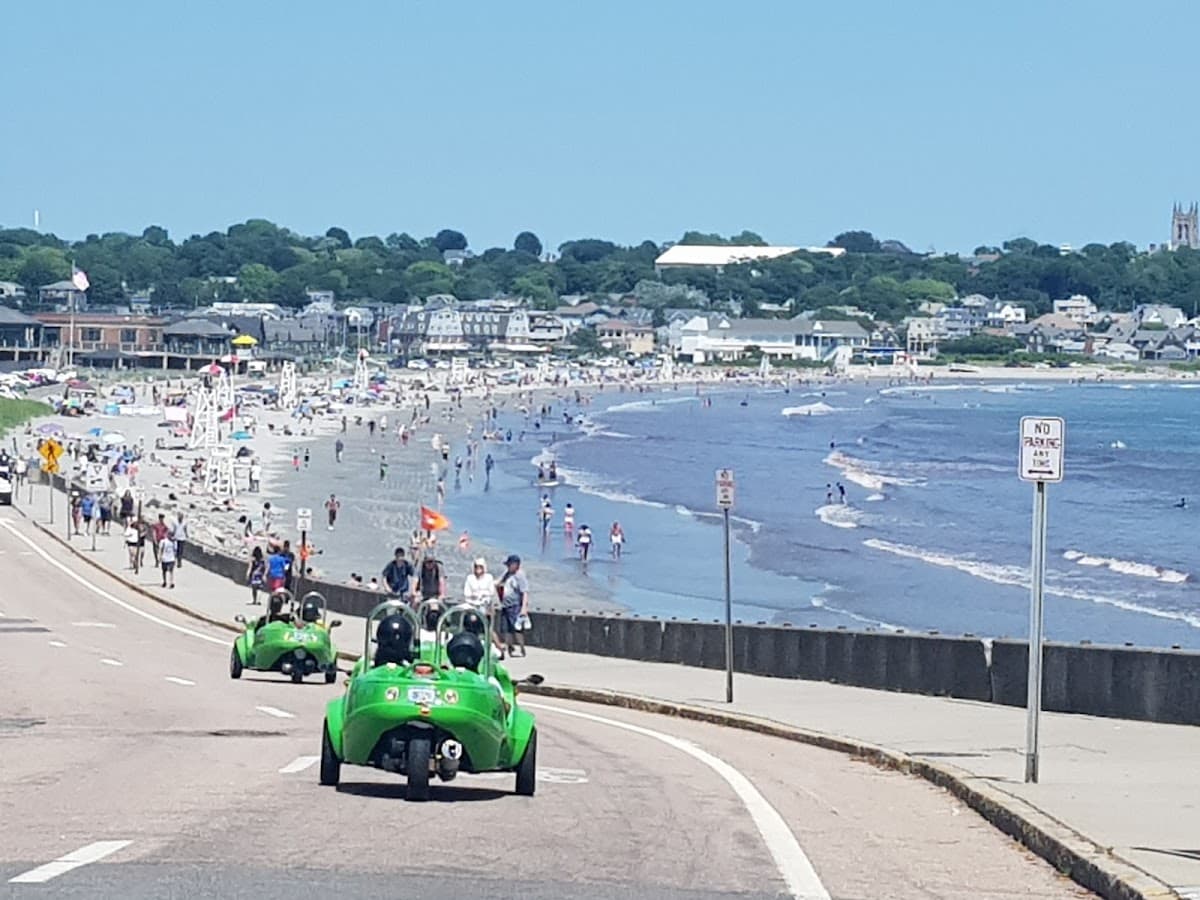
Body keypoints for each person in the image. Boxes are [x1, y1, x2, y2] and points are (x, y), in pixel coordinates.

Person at [496, 554, 529, 658]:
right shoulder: (507, 574)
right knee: (505, 629)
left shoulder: (520, 576)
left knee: (516, 629)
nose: (508, 567)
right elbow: (499, 582)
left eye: (509, 565)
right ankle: (509, 647)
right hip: (505, 605)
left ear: (515, 565)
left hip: (515, 606)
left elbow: (525, 593)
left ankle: (522, 648)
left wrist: (524, 609)